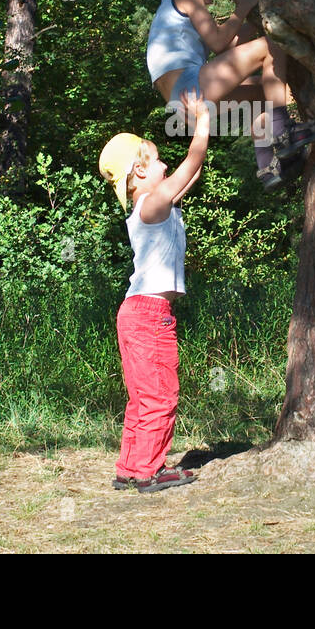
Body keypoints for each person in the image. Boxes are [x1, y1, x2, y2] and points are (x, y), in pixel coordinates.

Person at [97, 94, 211, 493]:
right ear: (140, 172)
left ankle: (130, 466)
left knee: (142, 395)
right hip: (149, 315)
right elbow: (191, 164)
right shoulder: (153, 204)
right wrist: (203, 121)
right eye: (159, 160)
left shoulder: (155, 204)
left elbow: (190, 174)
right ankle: (149, 470)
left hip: (135, 312)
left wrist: (201, 141)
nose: (166, 165)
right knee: (161, 393)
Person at [146, 0, 315, 188]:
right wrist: (242, 7)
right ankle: (283, 133)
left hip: (184, 101)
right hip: (190, 85)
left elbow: (228, 51)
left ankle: (269, 166)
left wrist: (252, 21)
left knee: (262, 92)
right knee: (272, 44)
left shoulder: (173, 3)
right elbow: (221, 43)